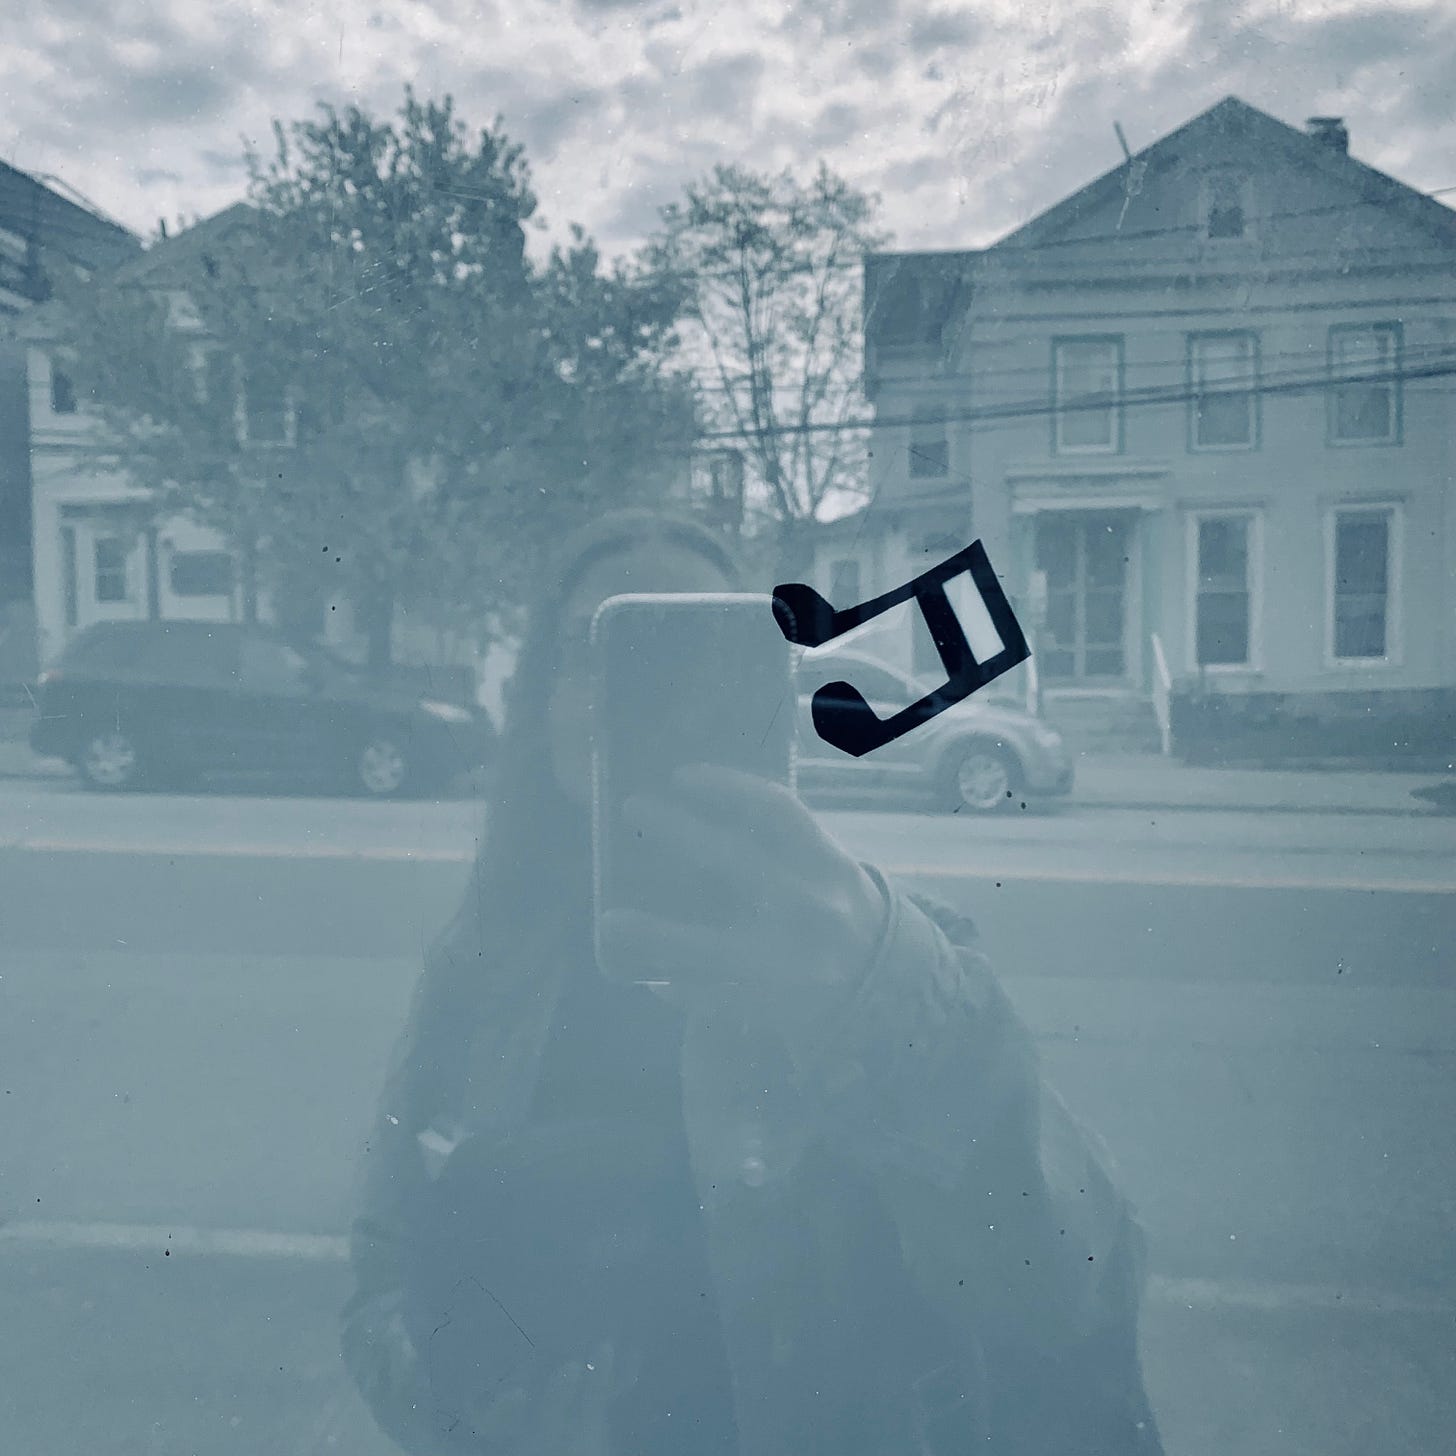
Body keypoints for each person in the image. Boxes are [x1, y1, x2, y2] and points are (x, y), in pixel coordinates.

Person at [341, 507, 1165, 1455]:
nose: (635, 690)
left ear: (763, 690)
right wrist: (478, 1417)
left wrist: (877, 987)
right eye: (597, 647)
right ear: (540, 704)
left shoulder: (882, 952)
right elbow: (385, 1284)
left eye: (697, 646)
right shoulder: (479, 974)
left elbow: (1075, 1285)